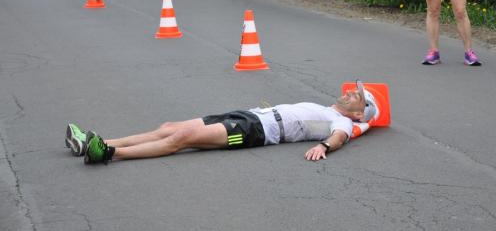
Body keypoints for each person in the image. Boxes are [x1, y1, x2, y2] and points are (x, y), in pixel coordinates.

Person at [65, 81, 379, 164]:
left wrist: (324, 146)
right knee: (170, 127)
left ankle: (107, 153)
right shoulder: (329, 109)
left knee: (182, 139)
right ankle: (101, 141)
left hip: (254, 132)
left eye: (359, 97)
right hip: (251, 114)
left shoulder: (340, 124)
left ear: (357, 114)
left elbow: (343, 136)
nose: (352, 91)